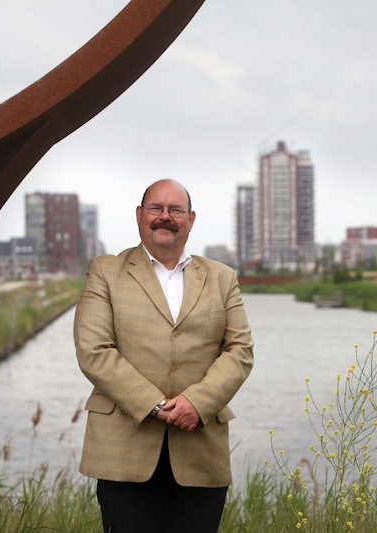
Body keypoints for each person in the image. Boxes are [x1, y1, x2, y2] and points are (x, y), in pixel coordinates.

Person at [73, 179, 254, 533]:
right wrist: (156, 405)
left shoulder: (222, 277)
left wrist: (197, 403)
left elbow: (240, 350)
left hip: (201, 453)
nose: (165, 217)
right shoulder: (104, 272)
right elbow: (94, 351)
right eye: (156, 208)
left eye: (175, 210)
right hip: (123, 452)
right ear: (140, 215)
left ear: (191, 219)